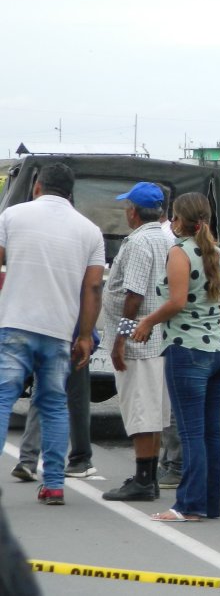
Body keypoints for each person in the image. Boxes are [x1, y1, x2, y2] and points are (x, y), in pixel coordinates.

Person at [0, 162, 104, 505]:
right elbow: (92, 289)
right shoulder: (89, 231)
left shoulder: (12, 217)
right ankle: (55, 484)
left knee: (2, 401)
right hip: (59, 331)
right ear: (70, 193)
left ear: (37, 187)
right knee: (54, 405)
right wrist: (85, 336)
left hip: (15, 324)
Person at [131, 192, 220, 522]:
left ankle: (188, 505)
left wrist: (147, 322)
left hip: (187, 352)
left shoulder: (180, 252)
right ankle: (209, 504)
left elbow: (176, 302)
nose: (170, 222)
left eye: (173, 216)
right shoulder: (217, 253)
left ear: (180, 221)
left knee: (190, 433)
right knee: (210, 434)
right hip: (218, 352)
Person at [100, 182, 173, 501]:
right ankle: (148, 474)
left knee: (142, 410)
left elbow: (135, 294)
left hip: (140, 341)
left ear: (133, 211)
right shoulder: (166, 237)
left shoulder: (140, 242)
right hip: (159, 338)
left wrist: (120, 339)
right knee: (153, 410)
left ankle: (144, 480)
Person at [9, 324, 100, 483]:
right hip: (50, 335)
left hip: (69, 335)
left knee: (66, 399)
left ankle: (79, 458)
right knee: (48, 397)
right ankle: (30, 462)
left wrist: (85, 335)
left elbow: (88, 302)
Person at [155, 183, 183, 490]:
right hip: (197, 340)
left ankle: (173, 465)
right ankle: (171, 462)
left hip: (172, 333)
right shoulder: (211, 250)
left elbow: (174, 299)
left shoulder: (167, 243)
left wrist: (145, 323)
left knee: (170, 403)